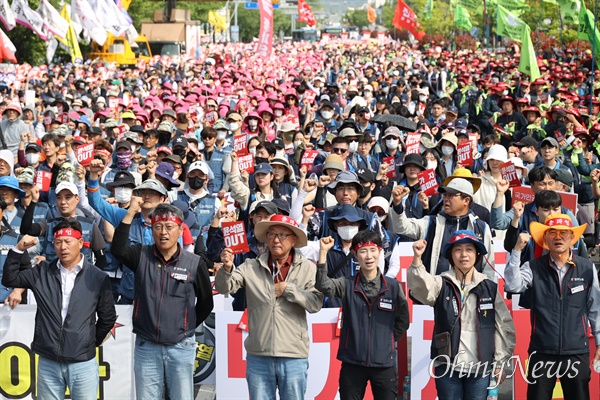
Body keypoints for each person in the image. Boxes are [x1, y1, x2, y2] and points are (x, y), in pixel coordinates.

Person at [2, 220, 116, 400]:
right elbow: (10, 279)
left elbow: (107, 318)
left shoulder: (97, 277)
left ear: (80, 243)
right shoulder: (41, 271)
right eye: (58, 242)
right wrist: (18, 249)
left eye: (68, 241)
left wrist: (88, 342)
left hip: (83, 363)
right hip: (48, 361)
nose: (63, 247)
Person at [111, 201, 214, 400]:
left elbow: (205, 303)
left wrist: (186, 328)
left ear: (180, 229)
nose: (163, 232)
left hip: (181, 347)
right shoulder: (140, 255)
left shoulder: (194, 263)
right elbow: (117, 249)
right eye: (158, 227)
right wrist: (131, 213)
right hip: (147, 345)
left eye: (169, 227)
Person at [216, 214, 324, 399]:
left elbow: (315, 303)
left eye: (282, 235)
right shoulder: (250, 266)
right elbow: (225, 287)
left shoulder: (308, 268)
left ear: (294, 239)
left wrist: (288, 289)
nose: (276, 239)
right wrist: (227, 268)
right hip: (259, 354)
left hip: (293, 354)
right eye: (272, 234)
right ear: (266, 238)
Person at [409, 231, 516, 400]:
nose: (464, 254)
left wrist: (500, 363)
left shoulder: (489, 287)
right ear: (451, 255)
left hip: (480, 368)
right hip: (447, 366)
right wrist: (417, 259)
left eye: (469, 249)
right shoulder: (441, 283)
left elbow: (504, 327)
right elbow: (421, 289)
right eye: (457, 250)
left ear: (477, 255)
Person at [505, 214, 600, 400]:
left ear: (572, 238)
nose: (558, 237)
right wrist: (516, 250)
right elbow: (512, 285)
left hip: (576, 351)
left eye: (564, 233)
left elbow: (596, 309)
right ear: (545, 239)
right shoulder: (533, 267)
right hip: (541, 351)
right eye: (553, 233)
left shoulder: (587, 268)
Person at [316, 230, 409, 399]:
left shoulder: (393, 287)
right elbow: (323, 286)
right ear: (355, 254)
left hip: (384, 364)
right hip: (352, 362)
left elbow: (403, 320)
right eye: (363, 251)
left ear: (380, 252)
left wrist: (387, 340)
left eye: (373, 250)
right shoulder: (347, 283)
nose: (369, 256)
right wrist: (323, 253)